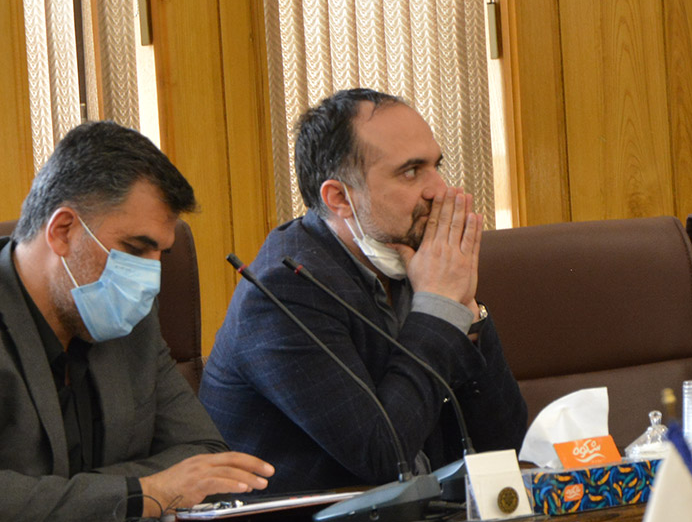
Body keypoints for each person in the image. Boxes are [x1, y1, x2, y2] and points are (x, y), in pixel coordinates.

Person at [0, 122, 272, 522]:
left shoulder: (127, 318)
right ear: (62, 231)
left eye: (160, 254)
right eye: (135, 249)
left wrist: (58, 496)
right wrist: (144, 493)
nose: (150, 276)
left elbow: (205, 458)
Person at [202, 89, 527, 495]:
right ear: (339, 198)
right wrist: (440, 307)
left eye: (436, 166)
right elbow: (384, 457)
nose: (439, 189)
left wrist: (466, 312)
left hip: (428, 520)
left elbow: (507, 444)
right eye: (411, 172)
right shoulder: (286, 290)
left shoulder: (416, 257)